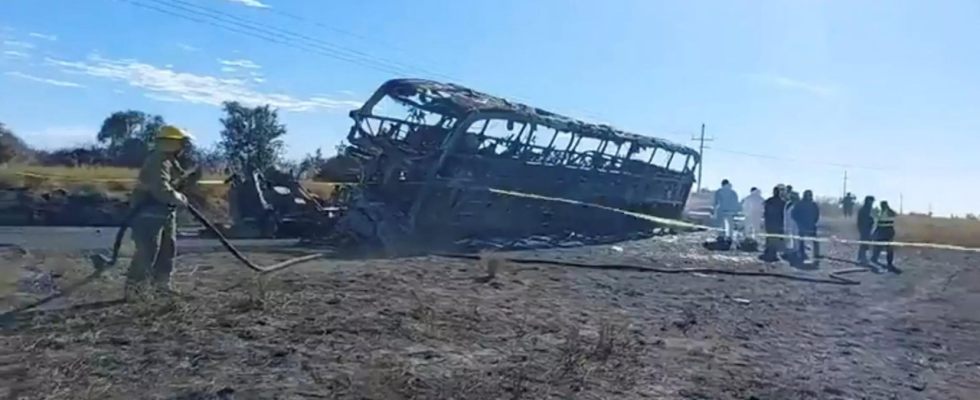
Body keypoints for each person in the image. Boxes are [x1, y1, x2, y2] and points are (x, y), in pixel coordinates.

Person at [125, 125, 196, 298]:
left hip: (164, 211)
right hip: (148, 211)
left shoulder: (170, 160)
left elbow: (175, 181)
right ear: (170, 142)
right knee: (148, 250)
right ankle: (135, 290)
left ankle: (161, 287)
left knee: (167, 249)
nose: (183, 147)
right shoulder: (158, 160)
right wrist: (178, 198)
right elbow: (161, 188)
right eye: (181, 143)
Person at [791, 190, 821, 261]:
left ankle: (816, 254)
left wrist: (814, 221)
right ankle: (802, 253)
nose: (809, 196)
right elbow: (794, 214)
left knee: (815, 240)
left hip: (811, 225)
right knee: (801, 241)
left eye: (810, 195)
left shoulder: (813, 204)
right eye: (808, 195)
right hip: (802, 225)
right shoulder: (799, 204)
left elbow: (817, 214)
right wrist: (799, 223)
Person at [871, 200, 899, 272]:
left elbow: (894, 214)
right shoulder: (881, 212)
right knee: (878, 245)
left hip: (888, 230)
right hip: (881, 230)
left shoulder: (889, 212)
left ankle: (889, 262)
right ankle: (874, 258)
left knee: (889, 248)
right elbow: (878, 222)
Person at [761, 185, 787, 262]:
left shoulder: (769, 201)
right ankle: (772, 253)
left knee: (769, 238)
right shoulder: (782, 202)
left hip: (769, 222)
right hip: (777, 222)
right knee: (775, 238)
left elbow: (765, 212)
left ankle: (769, 252)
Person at [856, 195, 876, 265]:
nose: (872, 203)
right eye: (871, 201)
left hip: (867, 228)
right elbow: (863, 220)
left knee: (865, 243)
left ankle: (861, 257)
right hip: (864, 228)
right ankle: (862, 258)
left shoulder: (868, 209)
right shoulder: (865, 209)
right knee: (864, 243)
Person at [783, 185, 800, 255]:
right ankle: (789, 248)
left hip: (795, 222)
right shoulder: (788, 203)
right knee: (788, 235)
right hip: (787, 222)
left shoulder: (797, 205)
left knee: (795, 235)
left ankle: (796, 249)